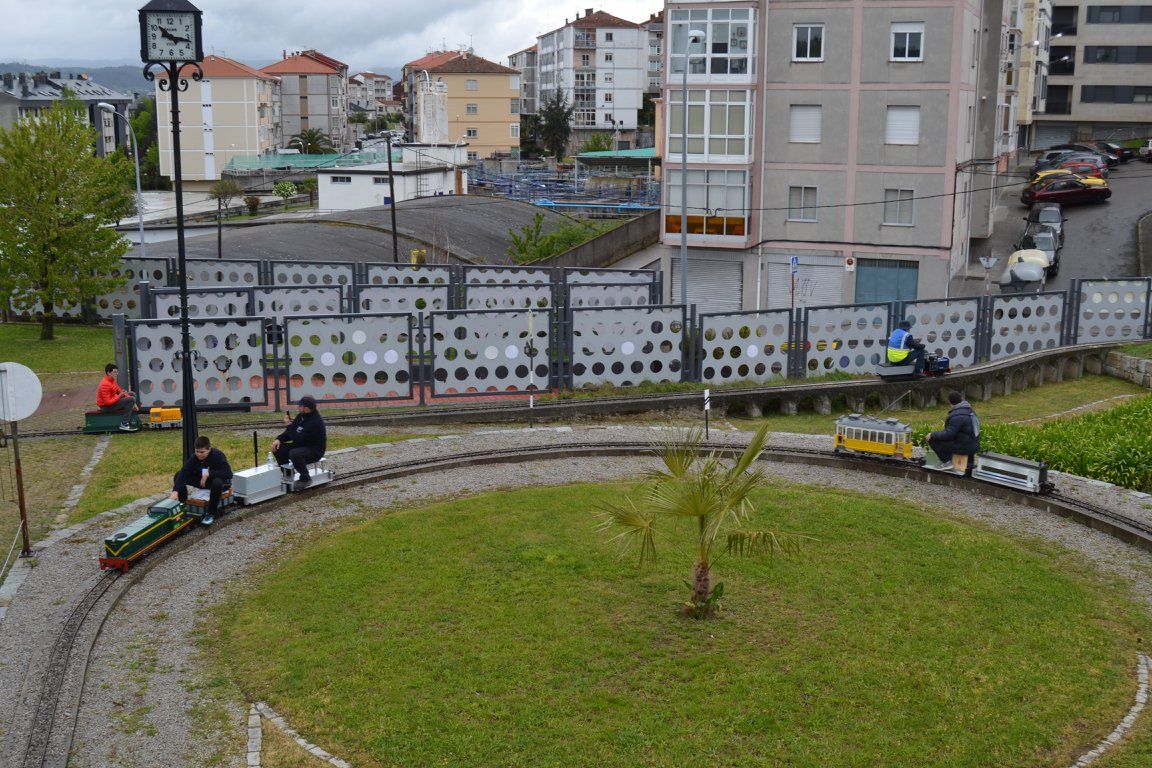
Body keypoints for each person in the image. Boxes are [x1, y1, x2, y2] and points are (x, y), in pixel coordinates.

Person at [170, 435, 233, 525]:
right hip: (203, 482)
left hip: (219, 483)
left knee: (217, 482)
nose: (199, 454)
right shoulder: (194, 457)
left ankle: (211, 513)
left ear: (209, 449)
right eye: (197, 451)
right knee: (178, 475)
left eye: (202, 452)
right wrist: (175, 491)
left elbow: (228, 474)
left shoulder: (218, 455)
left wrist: (209, 473)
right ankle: (183, 504)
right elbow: (185, 472)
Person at [272, 395, 326, 491]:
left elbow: (297, 438)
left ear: (306, 408)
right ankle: (288, 475)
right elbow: (293, 432)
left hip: (314, 450)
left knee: (295, 453)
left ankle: (305, 479)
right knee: (278, 448)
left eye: (300, 405)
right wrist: (279, 439)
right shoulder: (301, 416)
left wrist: (289, 426)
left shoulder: (315, 423)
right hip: (301, 444)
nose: (298, 407)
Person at [927, 392, 981, 472]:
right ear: (961, 399)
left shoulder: (957, 415)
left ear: (949, 402)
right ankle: (968, 464)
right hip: (973, 445)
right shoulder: (969, 410)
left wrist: (932, 434)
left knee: (932, 439)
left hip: (965, 447)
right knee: (964, 437)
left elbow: (948, 434)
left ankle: (947, 462)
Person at [96, 363, 140, 432]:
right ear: (108, 373)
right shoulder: (105, 384)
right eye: (115, 372)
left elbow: (119, 390)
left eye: (117, 372)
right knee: (131, 399)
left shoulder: (112, 380)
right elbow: (107, 402)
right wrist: (120, 396)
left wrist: (134, 403)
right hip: (106, 407)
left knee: (132, 394)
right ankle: (124, 424)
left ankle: (129, 413)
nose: (117, 374)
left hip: (112, 402)